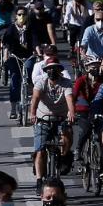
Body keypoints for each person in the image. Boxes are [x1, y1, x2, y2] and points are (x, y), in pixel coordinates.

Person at [30, 58, 77, 186]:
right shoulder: (41, 82)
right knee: (40, 150)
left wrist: (72, 113)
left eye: (55, 68)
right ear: (46, 71)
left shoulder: (66, 83)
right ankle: (39, 180)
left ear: (59, 70)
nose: (52, 71)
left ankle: (64, 156)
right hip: (43, 118)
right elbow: (35, 98)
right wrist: (33, 114)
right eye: (49, 69)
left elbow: (69, 99)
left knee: (67, 134)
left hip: (61, 118)